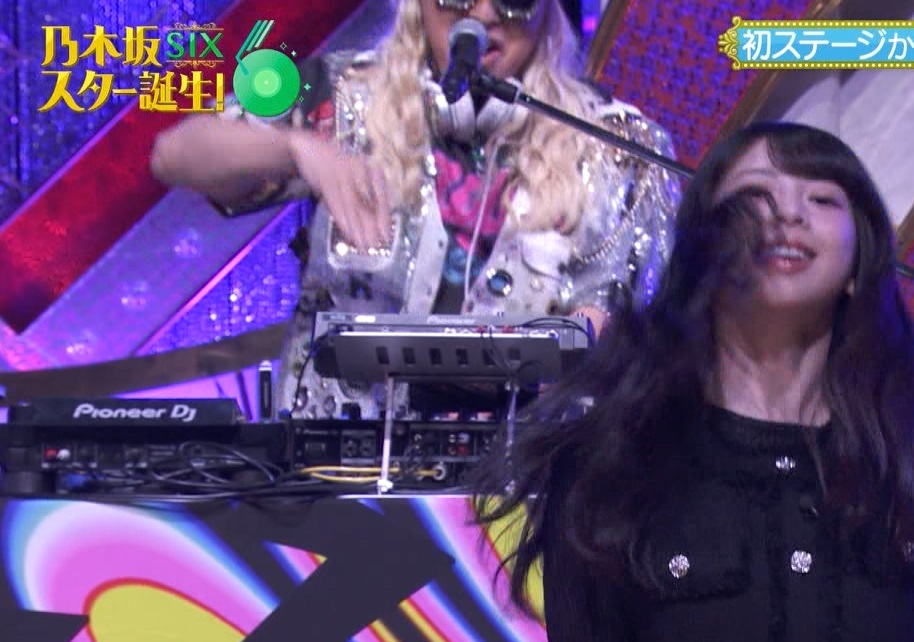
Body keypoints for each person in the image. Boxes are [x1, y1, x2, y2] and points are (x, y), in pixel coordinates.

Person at [475, 121, 914, 642]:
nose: (789, 214)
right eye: (757, 194)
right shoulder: (618, 458)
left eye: (822, 199)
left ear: (859, 259)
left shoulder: (907, 447)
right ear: (701, 244)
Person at [150, 0, 680, 419]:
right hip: (332, 478)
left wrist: (569, 350)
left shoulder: (616, 147)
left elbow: (621, 319)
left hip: (511, 486)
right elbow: (175, 153)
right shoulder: (344, 96)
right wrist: (294, 147)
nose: (483, 13)